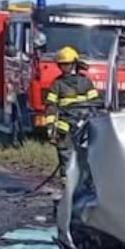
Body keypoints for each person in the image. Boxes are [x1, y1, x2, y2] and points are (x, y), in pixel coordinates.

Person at [43, 46, 100, 174]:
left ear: (74, 64)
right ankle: (66, 181)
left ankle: (85, 180)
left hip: (84, 124)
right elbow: (51, 106)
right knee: (65, 153)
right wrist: (50, 127)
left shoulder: (85, 82)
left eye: (67, 64)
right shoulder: (57, 84)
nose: (64, 68)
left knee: (86, 154)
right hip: (65, 125)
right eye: (62, 65)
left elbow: (95, 103)